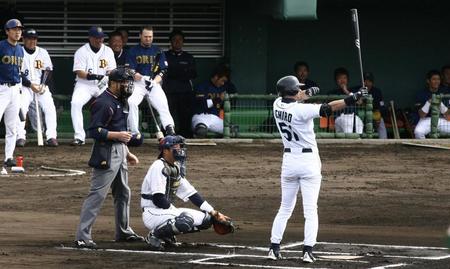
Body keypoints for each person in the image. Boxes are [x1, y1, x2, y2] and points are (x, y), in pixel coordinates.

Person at [268, 75, 367, 263]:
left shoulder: (276, 104)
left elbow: (294, 97)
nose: (300, 91)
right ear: (293, 91)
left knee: (285, 208)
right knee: (310, 210)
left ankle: (273, 248)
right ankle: (307, 251)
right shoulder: (302, 110)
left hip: (289, 161)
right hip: (308, 162)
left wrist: (307, 93)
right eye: (298, 89)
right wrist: (353, 97)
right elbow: (329, 108)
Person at [74, 66, 144, 249]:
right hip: (106, 152)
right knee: (97, 194)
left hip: (120, 151)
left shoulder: (123, 101)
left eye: (129, 82)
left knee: (123, 193)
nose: (128, 86)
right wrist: (117, 136)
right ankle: (82, 235)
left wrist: (127, 152)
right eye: (124, 82)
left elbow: (120, 130)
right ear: (113, 83)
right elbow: (94, 131)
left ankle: (123, 231)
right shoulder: (104, 103)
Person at [141, 135, 232, 250]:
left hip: (165, 212)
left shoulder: (175, 168)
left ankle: (166, 234)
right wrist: (177, 214)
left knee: (208, 219)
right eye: (175, 147)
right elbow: (158, 199)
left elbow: (192, 194)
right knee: (184, 220)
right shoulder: (158, 166)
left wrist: (215, 213)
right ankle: (154, 236)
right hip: (153, 213)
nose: (180, 149)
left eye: (180, 146)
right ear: (165, 150)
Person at [70, 26, 116, 146]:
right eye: (96, 38)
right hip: (84, 84)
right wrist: (96, 76)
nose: (99, 40)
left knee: (112, 104)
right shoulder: (81, 51)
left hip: (103, 85)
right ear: (90, 38)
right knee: (75, 103)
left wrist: (106, 76)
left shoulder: (108, 51)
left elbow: (112, 70)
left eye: (101, 38)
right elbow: (79, 72)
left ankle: (110, 134)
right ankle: (79, 137)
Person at [126, 25, 175, 137]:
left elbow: (163, 70)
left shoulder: (158, 51)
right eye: (145, 36)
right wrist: (136, 75)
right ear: (140, 36)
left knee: (162, 103)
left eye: (150, 37)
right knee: (132, 102)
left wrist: (155, 81)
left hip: (153, 82)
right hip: (138, 83)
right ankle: (134, 132)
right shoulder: (133, 51)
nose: (148, 39)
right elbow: (129, 69)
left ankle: (169, 128)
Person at [15, 28, 58, 147]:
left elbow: (48, 70)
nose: (32, 41)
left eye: (34, 39)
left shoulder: (43, 52)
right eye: (29, 39)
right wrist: (29, 84)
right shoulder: (18, 51)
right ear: (23, 39)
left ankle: (51, 136)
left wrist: (43, 84)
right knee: (21, 108)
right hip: (25, 86)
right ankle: (20, 136)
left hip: (40, 85)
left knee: (49, 107)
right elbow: (17, 72)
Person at [163, 29, 197, 138]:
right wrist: (182, 71)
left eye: (180, 40)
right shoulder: (165, 56)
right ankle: (168, 135)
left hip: (185, 91)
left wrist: (176, 71)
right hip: (169, 90)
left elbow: (193, 73)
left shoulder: (188, 57)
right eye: (174, 40)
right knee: (169, 114)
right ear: (170, 42)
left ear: (183, 42)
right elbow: (165, 72)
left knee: (185, 115)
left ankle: (186, 136)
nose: (177, 42)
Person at [0, 19, 24, 168]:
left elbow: (19, 72)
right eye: (14, 29)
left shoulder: (20, 50)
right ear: (7, 31)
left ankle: (9, 157)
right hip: (1, 88)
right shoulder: (1, 46)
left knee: (12, 127)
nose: (17, 32)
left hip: (15, 89)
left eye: (19, 29)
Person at [191, 64, 230, 138]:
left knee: (232, 130)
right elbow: (205, 105)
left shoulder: (223, 88)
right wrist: (219, 99)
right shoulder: (202, 87)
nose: (223, 83)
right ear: (216, 77)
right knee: (201, 131)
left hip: (215, 118)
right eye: (222, 80)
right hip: (201, 116)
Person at [414, 70, 450, 139]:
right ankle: (424, 149)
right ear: (428, 81)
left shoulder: (445, 92)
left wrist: (439, 103)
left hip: (443, 120)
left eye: (438, 79)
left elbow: (448, 115)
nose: (437, 82)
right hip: (427, 120)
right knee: (418, 132)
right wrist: (429, 102)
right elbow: (422, 115)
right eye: (434, 79)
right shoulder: (421, 94)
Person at [328, 67, 364, 134]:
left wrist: (346, 91)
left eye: (344, 78)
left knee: (360, 125)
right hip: (340, 117)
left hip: (354, 116)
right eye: (340, 78)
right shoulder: (332, 93)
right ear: (336, 80)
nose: (342, 80)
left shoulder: (352, 91)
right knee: (348, 126)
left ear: (347, 79)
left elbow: (360, 102)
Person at [361, 72, 388, 139]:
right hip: (363, 114)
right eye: (365, 81)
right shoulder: (360, 90)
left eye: (369, 81)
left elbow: (381, 106)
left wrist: (379, 117)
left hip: (374, 113)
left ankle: (384, 141)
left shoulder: (377, 91)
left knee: (380, 123)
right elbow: (350, 95)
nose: (367, 83)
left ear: (372, 82)